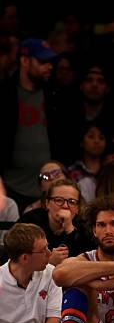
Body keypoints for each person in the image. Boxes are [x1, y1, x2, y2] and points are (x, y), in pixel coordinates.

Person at [0, 39, 59, 212]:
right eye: (42, 62)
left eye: (51, 62)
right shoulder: (4, 95)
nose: (49, 67)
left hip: (50, 188)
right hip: (11, 187)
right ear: (25, 61)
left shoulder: (56, 96)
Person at [0, 223, 61, 323]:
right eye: (43, 250)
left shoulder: (51, 273)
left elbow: (54, 318)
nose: (50, 254)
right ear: (25, 258)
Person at [19, 178, 93, 262]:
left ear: (77, 208)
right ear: (47, 203)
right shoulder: (30, 221)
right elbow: (20, 259)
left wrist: (69, 229)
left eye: (72, 202)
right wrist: (48, 262)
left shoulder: (85, 228)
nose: (65, 206)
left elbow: (86, 262)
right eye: (58, 200)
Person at [68, 122, 107, 203]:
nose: (97, 141)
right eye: (91, 136)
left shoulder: (109, 169)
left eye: (101, 138)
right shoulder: (71, 172)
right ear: (81, 142)